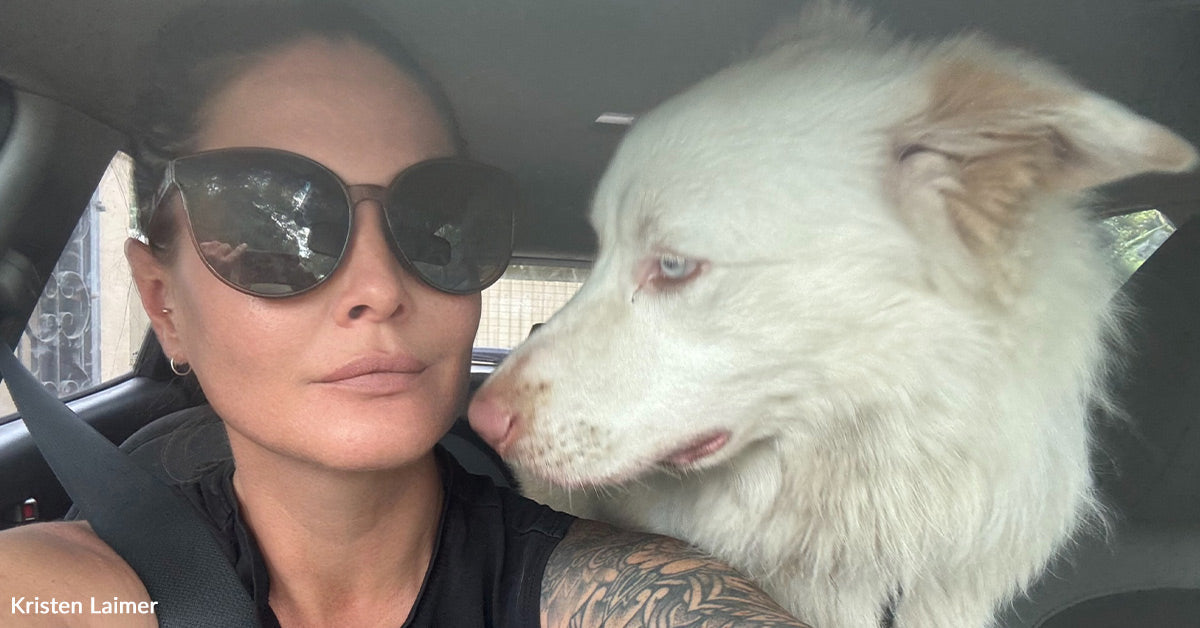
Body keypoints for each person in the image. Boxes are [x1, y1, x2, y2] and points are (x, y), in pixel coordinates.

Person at [0, 3, 811, 627]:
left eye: (435, 223)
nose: (381, 286)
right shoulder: (60, 593)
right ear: (163, 304)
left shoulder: (613, 591)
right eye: (273, 229)